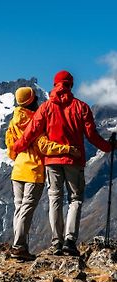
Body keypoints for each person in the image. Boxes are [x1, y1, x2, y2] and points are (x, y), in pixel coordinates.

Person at [13, 70, 115, 256]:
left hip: (51, 161)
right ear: (71, 85)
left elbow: (31, 132)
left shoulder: (45, 107)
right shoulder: (81, 107)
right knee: (75, 199)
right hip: (74, 160)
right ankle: (69, 240)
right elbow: (91, 135)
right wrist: (108, 147)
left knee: (55, 199)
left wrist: (16, 147)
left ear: (55, 85)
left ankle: (56, 242)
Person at [6, 86, 80, 261]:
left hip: (18, 169)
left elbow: (10, 145)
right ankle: (19, 246)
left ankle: (19, 246)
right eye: (36, 98)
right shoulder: (35, 121)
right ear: (31, 101)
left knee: (19, 208)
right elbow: (44, 146)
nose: (39, 100)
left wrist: (16, 155)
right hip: (33, 170)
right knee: (27, 208)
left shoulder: (14, 121)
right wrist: (68, 149)